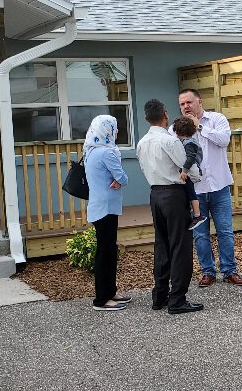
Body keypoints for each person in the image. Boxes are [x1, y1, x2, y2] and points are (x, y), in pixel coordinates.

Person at [137, 99, 203, 315]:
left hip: (155, 194)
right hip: (174, 194)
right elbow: (189, 167)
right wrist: (197, 175)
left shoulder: (142, 142)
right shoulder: (169, 141)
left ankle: (160, 296)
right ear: (165, 114)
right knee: (180, 247)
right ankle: (177, 299)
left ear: (147, 118)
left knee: (162, 245)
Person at [177, 88, 242, 288]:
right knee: (200, 234)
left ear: (200, 102)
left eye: (189, 102)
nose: (186, 107)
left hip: (220, 187)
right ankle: (207, 272)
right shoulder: (178, 128)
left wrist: (199, 128)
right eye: (182, 104)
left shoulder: (217, 119)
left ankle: (229, 270)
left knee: (225, 231)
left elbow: (224, 140)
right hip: (196, 191)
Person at [83, 115, 129, 311]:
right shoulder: (106, 153)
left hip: (99, 207)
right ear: (106, 130)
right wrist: (120, 179)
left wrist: (118, 179)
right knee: (105, 253)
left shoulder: (91, 151)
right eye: (114, 128)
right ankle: (101, 299)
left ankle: (110, 292)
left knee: (108, 251)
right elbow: (123, 177)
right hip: (106, 209)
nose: (116, 132)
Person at [171, 116, 208, 231]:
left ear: (180, 132)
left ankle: (198, 215)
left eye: (177, 132)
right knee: (189, 191)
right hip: (192, 170)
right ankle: (194, 211)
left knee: (191, 193)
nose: (176, 135)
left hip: (192, 171)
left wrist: (184, 171)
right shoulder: (189, 141)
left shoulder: (189, 143)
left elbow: (190, 158)